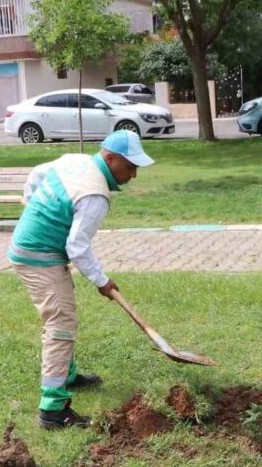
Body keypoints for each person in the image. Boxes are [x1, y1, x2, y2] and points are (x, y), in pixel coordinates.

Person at [8, 130, 154, 430]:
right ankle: (53, 409)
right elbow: (77, 247)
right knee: (60, 325)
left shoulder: (75, 161)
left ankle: (67, 375)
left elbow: (37, 173)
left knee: (63, 315)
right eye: (130, 167)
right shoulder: (94, 194)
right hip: (39, 256)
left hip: (33, 250)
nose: (134, 175)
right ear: (110, 158)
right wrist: (102, 281)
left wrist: (30, 205)